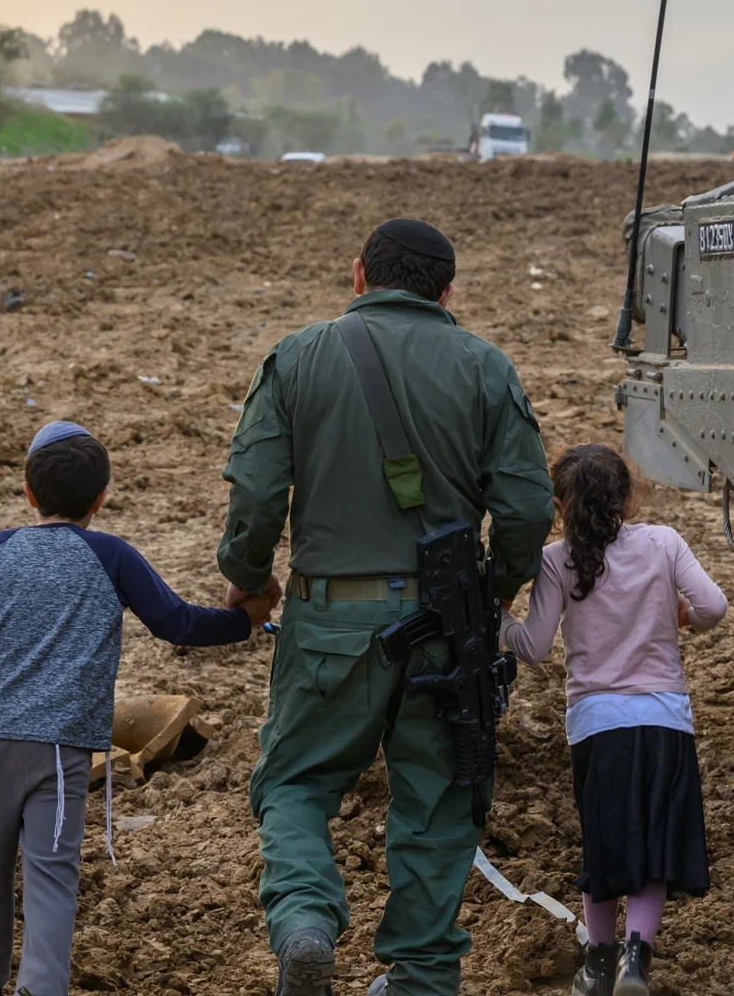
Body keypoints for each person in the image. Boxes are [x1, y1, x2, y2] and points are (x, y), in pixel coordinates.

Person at [219, 218, 555, 996]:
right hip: (446, 629)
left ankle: (305, 921)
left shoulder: (298, 356)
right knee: (438, 802)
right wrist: (497, 586)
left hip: (327, 620)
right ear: (447, 293)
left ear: (359, 275)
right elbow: (529, 506)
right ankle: (420, 976)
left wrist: (248, 574)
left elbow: (259, 494)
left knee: (296, 784)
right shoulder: (485, 366)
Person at [0, 421, 278, 996]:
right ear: (101, 498)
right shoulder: (110, 554)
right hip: (59, 755)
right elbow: (176, 622)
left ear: (29, 493)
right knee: (50, 878)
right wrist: (245, 620)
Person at [502, 443, 727, 996]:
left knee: (603, 843)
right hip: (665, 720)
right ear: (628, 498)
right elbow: (716, 607)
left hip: (597, 725)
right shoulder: (663, 543)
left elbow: (532, 647)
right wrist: (684, 617)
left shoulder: (556, 561)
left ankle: (598, 963)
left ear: (560, 506)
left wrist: (496, 622)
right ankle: (636, 959)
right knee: (654, 847)